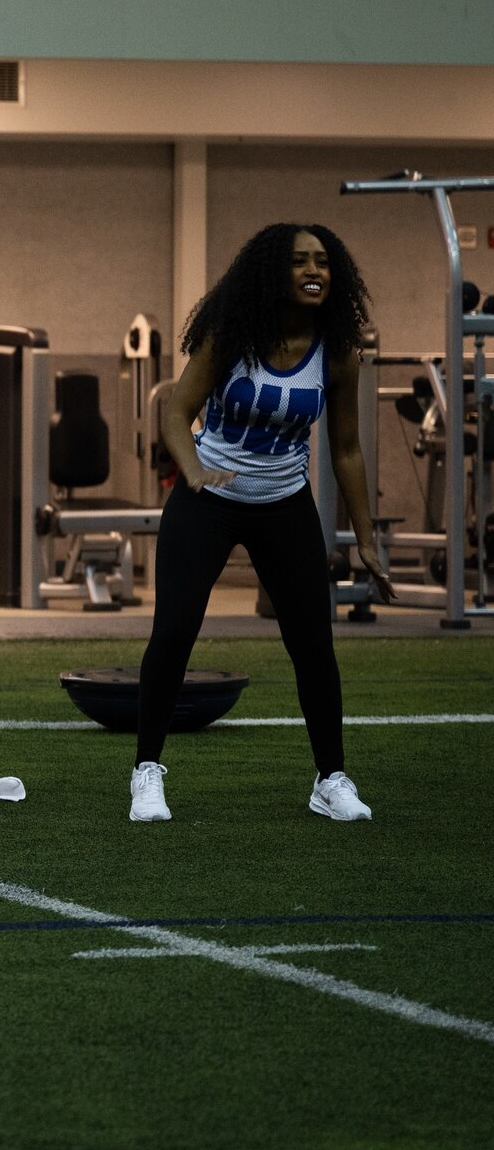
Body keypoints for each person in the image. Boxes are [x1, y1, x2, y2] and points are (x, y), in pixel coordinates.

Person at [131, 223, 394, 823]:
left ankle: (331, 778)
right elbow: (178, 411)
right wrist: (193, 472)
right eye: (300, 261)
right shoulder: (233, 336)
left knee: (313, 645)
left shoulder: (337, 351)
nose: (314, 270)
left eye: (324, 262)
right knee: (173, 632)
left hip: (284, 503)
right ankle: (147, 770)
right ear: (273, 273)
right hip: (209, 498)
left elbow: (347, 449)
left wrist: (367, 540)